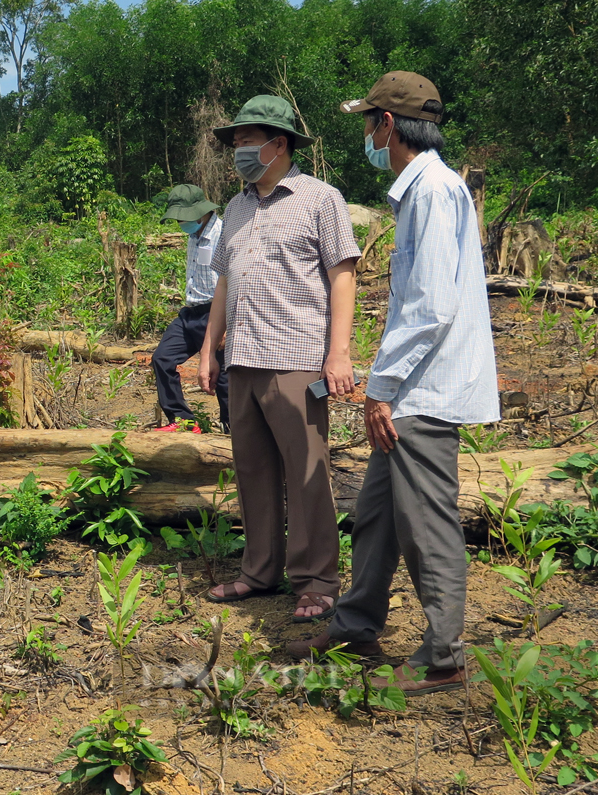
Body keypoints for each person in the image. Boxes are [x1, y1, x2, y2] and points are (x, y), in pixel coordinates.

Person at [287, 73, 499, 695]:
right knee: (376, 513)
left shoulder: (432, 190)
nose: (366, 135)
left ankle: (444, 657)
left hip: (424, 394)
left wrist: (382, 388)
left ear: (388, 125)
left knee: (426, 522)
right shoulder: (425, 190)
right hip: (412, 390)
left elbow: (429, 306)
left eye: (368, 122)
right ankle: (356, 624)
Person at [197, 95, 361, 623]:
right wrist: (209, 348)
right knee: (253, 469)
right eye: (238, 141)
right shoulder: (237, 206)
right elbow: (224, 280)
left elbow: (343, 275)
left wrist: (339, 354)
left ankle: (315, 581)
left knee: (307, 470)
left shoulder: (320, 199)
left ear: (280, 143)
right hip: (244, 360)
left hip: (297, 359)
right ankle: (259, 570)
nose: (240, 150)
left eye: (248, 140)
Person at [151, 184, 229, 433]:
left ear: (199, 211)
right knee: (162, 359)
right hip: (190, 313)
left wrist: (226, 324)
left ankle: (234, 432)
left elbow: (233, 281)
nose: (180, 222)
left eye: (182, 216)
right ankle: (183, 420)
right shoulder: (194, 235)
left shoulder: (223, 234)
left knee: (225, 378)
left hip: (216, 313)